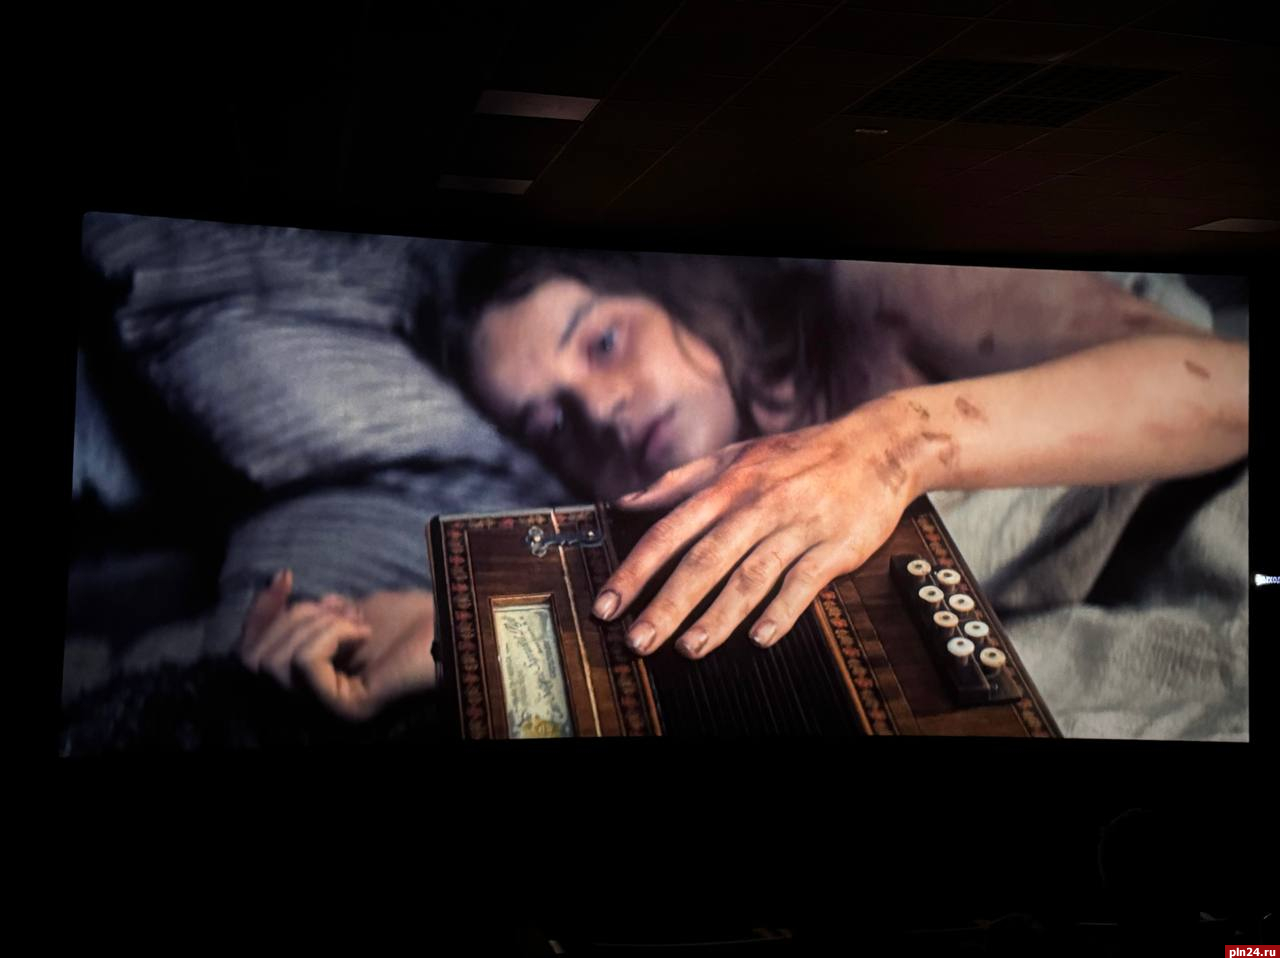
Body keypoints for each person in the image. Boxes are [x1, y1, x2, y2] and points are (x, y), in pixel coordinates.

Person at [239, 246, 1249, 720]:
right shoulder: (669, 538)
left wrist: (891, 447)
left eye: (602, 340)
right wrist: (458, 639)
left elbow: (1230, 384)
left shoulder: (877, 290)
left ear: (668, 288)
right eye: (549, 419)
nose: (601, 408)